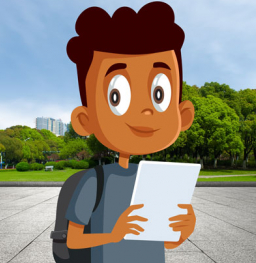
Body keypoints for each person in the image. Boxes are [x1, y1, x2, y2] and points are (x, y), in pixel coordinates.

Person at [65, 2, 196, 262]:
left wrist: (182, 230)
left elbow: (166, 243)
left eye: (160, 94)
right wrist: (113, 235)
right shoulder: (95, 181)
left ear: (182, 115)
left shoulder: (159, 182)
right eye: (117, 96)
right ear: (85, 119)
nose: (146, 111)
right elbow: (73, 239)